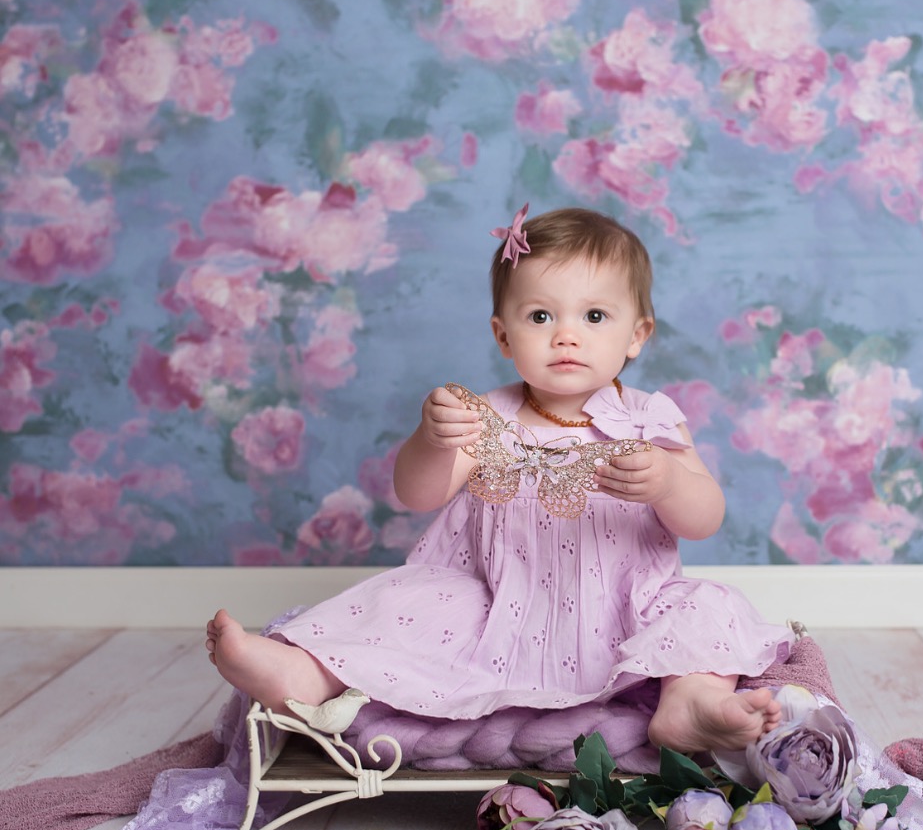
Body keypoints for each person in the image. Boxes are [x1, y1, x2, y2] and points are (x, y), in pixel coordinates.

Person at [206, 205, 793, 754]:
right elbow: (418, 494)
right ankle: (303, 673)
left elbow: (705, 516)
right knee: (401, 600)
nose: (566, 335)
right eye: (541, 316)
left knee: (710, 605)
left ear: (636, 335)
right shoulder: (486, 417)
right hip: (491, 604)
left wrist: (668, 482)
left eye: (594, 316)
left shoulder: (648, 419)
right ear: (503, 335)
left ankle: (691, 702)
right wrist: (432, 441)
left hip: (626, 609)